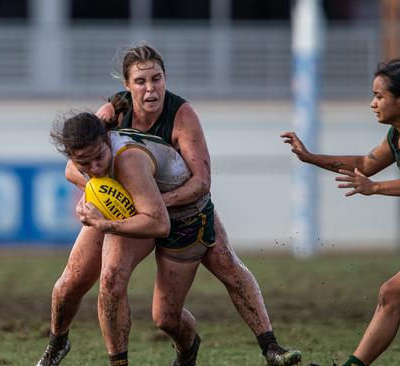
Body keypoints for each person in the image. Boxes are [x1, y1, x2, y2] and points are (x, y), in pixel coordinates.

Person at [37, 43, 300, 366]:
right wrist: (99, 195)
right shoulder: (109, 115)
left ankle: (269, 347)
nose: (150, 88)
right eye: (141, 81)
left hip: (186, 211)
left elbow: (201, 181)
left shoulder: (181, 115)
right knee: (86, 282)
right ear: (126, 85)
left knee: (203, 287)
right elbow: (76, 163)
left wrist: (150, 203)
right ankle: (59, 344)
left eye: (156, 79)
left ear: (165, 78)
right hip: (134, 210)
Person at [282, 59, 400, 366]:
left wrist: (376, 188)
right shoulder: (397, 135)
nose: (373, 103)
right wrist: (310, 157)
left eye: (379, 96)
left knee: (391, 293)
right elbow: (364, 163)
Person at [46, 112, 211, 366]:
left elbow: (159, 223)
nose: (95, 168)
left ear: (107, 140)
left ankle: (189, 348)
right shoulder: (86, 157)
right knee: (67, 285)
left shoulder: (129, 159)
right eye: (85, 164)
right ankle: (57, 344)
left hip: (174, 215)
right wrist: (89, 193)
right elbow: (71, 171)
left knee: (141, 300)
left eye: (99, 157)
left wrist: (105, 223)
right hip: (129, 212)